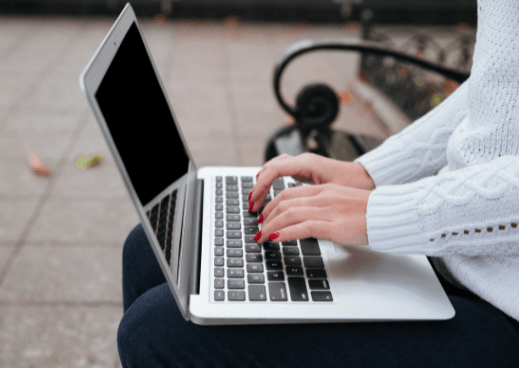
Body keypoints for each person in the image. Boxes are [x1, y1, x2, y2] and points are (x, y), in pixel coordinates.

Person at [117, 0, 519, 366]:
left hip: (503, 303)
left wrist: (382, 212)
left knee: (157, 332)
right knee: (147, 247)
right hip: (455, 247)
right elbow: (497, 79)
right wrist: (370, 174)